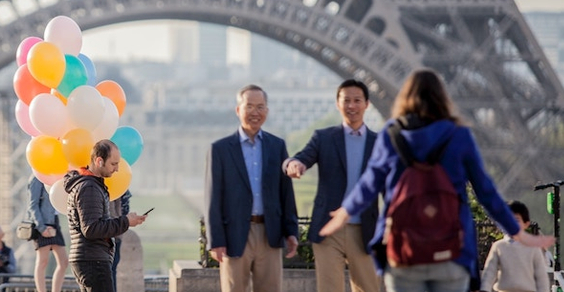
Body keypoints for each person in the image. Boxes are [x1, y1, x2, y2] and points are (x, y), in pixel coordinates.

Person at [320, 69, 554, 292]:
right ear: (442, 97)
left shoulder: (392, 133)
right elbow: (486, 191)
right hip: (451, 248)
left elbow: (370, 182)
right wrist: (517, 232)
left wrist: (344, 212)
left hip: (403, 249)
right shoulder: (459, 134)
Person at [283, 79, 379, 292]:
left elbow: (391, 186)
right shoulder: (323, 137)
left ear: (367, 104)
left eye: (357, 100)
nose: (351, 106)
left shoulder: (379, 143)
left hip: (365, 229)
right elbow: (301, 157)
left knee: (369, 289)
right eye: (346, 100)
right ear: (338, 104)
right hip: (328, 230)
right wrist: (293, 164)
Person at [205, 84, 299, 292]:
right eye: (249, 106)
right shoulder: (220, 149)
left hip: (270, 233)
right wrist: (215, 240)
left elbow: (286, 193)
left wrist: (291, 231)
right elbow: (212, 197)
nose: (255, 112)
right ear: (238, 110)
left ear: (267, 111)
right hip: (234, 234)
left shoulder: (277, 146)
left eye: (260, 107)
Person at [64, 140, 147, 292]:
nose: (116, 169)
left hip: (90, 258)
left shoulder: (91, 185)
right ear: (99, 161)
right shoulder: (89, 187)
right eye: (113, 164)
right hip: (92, 260)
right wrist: (125, 221)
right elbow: (91, 229)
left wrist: (126, 221)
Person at [478, 201, 548, 292]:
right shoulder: (499, 246)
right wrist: (484, 289)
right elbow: (489, 272)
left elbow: (541, 277)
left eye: (516, 220)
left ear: (526, 224)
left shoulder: (533, 248)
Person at [28, 175, 68, 292]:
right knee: (42, 261)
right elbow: (32, 205)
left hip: (54, 221)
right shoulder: (36, 178)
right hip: (42, 222)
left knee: (63, 262)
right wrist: (41, 227)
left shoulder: (55, 177)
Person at [109, 190, 131, 291]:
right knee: (111, 270)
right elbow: (122, 210)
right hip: (113, 233)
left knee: (111, 270)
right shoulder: (116, 187)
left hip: (116, 233)